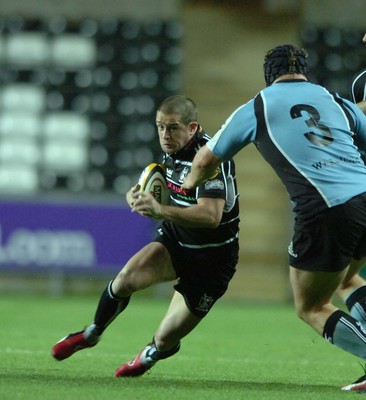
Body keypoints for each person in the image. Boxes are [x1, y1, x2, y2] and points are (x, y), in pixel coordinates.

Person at [181, 44, 366, 392]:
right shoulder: (335, 100)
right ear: (305, 72)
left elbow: (205, 159)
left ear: (269, 74)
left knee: (311, 305)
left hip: (327, 206)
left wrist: (185, 187)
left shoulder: (258, 106)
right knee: (346, 280)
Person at [51, 95, 240, 378]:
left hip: (213, 259)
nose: (165, 135)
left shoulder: (210, 158)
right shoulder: (174, 149)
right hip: (177, 241)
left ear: (193, 128)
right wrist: (135, 194)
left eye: (173, 127)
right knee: (126, 278)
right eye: (160, 127)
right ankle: (91, 333)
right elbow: (152, 182)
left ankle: (150, 354)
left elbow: (211, 216)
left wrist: (160, 209)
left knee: (166, 339)